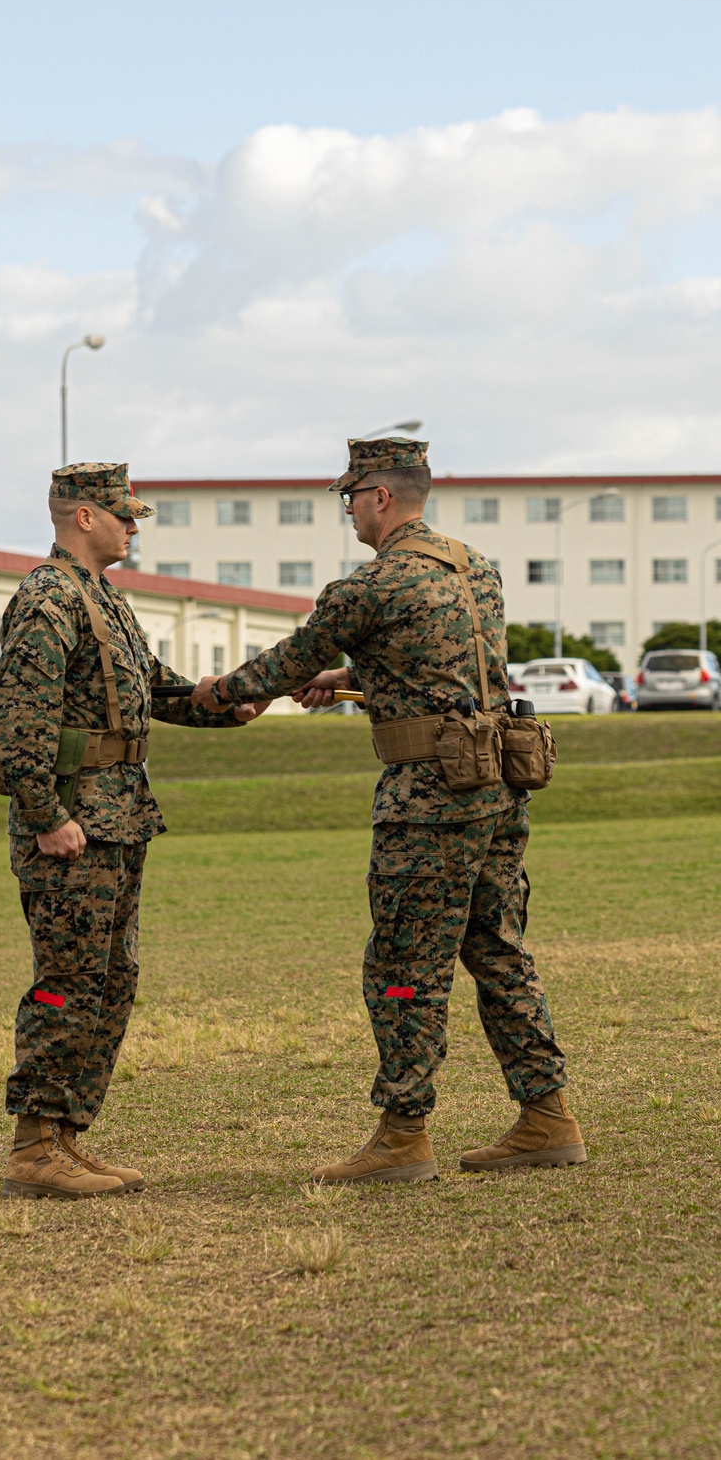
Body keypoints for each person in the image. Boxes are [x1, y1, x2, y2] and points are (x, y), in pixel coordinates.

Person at [191, 437, 585, 1183]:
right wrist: (353, 675)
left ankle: (404, 1134)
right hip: (499, 783)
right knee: (497, 947)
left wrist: (227, 690)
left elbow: (287, 660)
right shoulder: (477, 569)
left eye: (350, 497)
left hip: (431, 798)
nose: (347, 511)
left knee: (403, 964)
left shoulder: (372, 584)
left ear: (380, 496)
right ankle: (547, 1113)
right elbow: (442, 668)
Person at [0, 462, 267, 1200]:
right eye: (124, 514)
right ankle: (33, 1145)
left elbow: (159, 687)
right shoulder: (48, 597)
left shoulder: (102, 599)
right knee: (68, 982)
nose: (134, 526)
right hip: (74, 825)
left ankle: (66, 1136)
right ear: (83, 516)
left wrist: (233, 700)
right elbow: (17, 726)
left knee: (110, 980)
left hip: (117, 818)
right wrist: (48, 817)